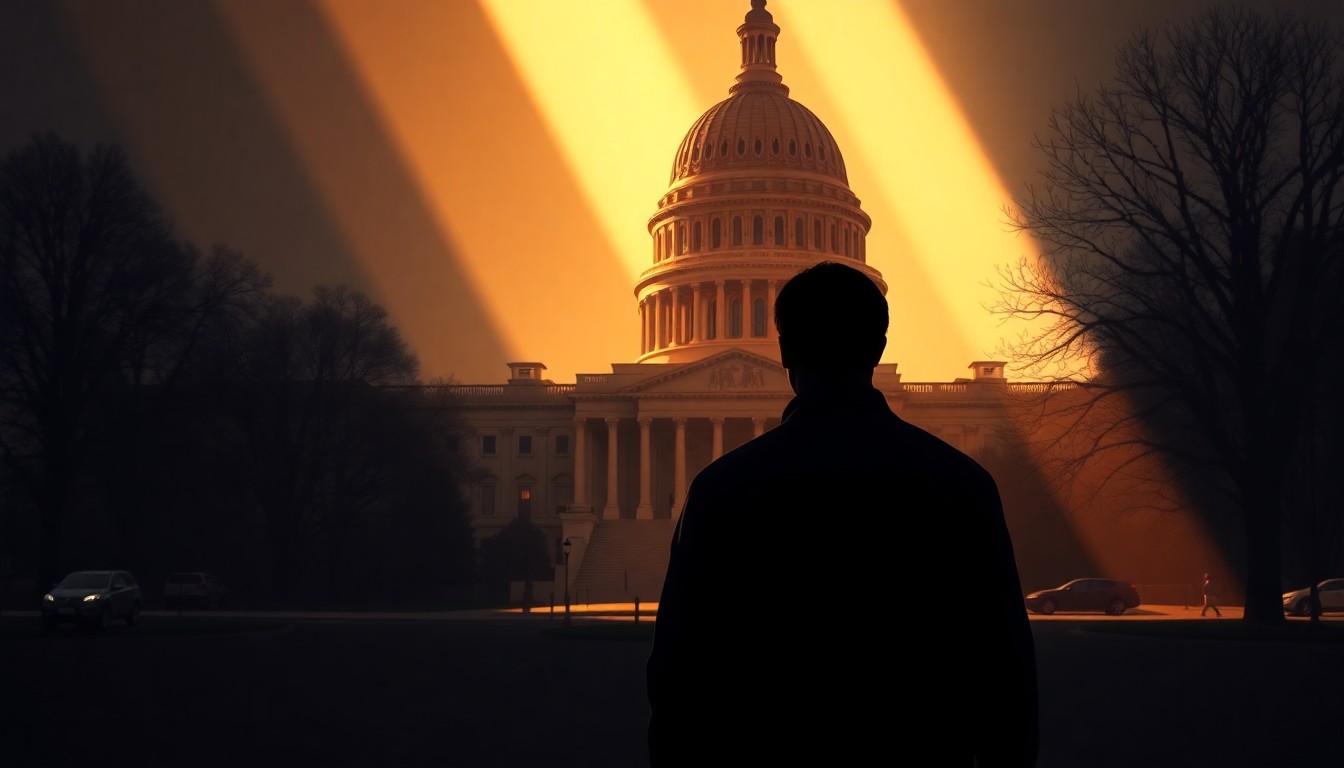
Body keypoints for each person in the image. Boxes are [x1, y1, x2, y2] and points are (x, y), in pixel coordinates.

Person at [646, 262, 1039, 767]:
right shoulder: (958, 484)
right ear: (878, 347)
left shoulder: (722, 490)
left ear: (784, 350)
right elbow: (1005, 671)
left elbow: (680, 679)